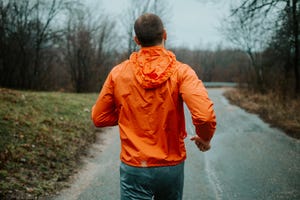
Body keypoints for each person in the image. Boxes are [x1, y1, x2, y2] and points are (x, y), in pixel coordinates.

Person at [91, 13, 216, 200]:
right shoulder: (182, 72)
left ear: (136, 40)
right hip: (170, 166)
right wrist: (205, 138)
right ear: (165, 34)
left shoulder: (118, 73)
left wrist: (129, 112)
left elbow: (99, 117)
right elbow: (204, 116)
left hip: (135, 166)